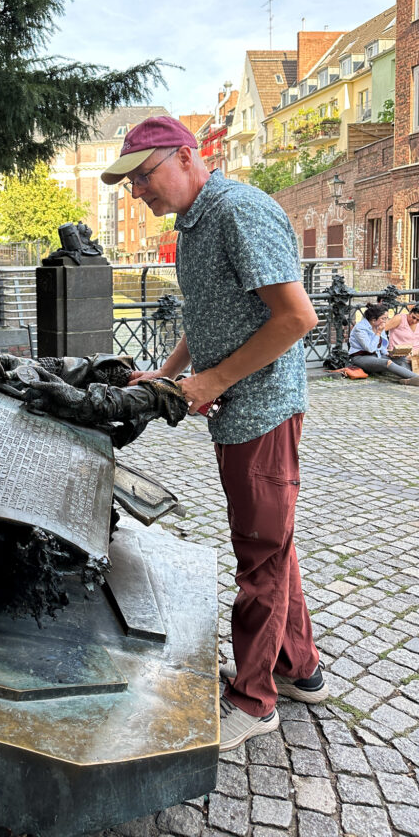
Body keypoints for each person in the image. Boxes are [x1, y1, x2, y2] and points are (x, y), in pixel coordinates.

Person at [100, 115, 326, 752]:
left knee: (261, 556)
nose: (137, 193)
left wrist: (215, 381)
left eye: (144, 177)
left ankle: (254, 700)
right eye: (130, 185)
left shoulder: (237, 213)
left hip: (262, 413)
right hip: (237, 412)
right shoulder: (195, 223)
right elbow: (210, 316)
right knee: (272, 544)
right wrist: (170, 373)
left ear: (187, 156)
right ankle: (300, 668)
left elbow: (297, 318)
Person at [348, 303, 419, 384]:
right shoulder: (360, 328)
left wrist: (389, 354)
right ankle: (416, 378)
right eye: (383, 318)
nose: (386, 321)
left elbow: (382, 347)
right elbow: (370, 349)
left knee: (401, 359)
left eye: (386, 318)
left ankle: (409, 380)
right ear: (374, 319)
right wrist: (378, 332)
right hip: (361, 357)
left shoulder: (378, 325)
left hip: (377, 355)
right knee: (387, 363)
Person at [384, 303, 419, 368]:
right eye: (413, 317)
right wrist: (384, 350)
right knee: (405, 364)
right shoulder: (400, 318)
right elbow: (381, 330)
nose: (414, 321)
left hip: (415, 355)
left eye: (418, 320)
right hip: (400, 354)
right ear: (410, 312)